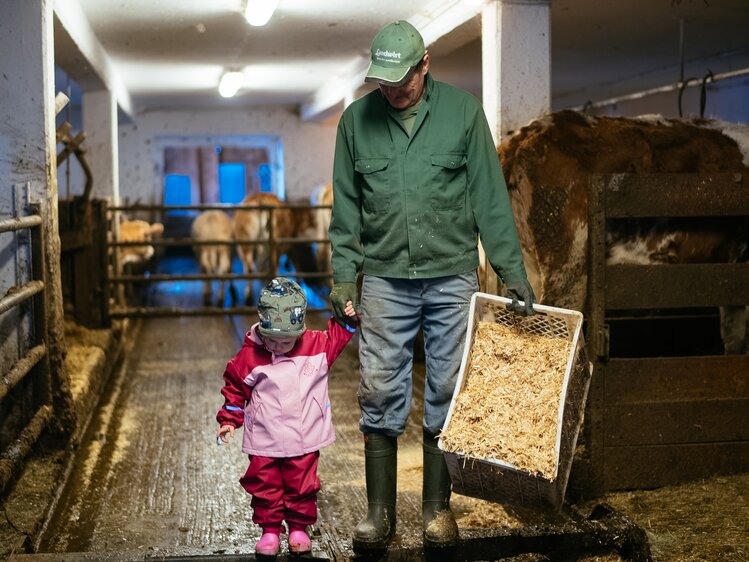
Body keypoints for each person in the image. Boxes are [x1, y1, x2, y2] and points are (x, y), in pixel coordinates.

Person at [328, 20, 535, 550]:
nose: (393, 91)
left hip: (451, 275)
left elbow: (491, 199)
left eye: (403, 79)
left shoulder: (463, 113)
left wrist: (512, 272)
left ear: (425, 66)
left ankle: (437, 513)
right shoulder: (355, 122)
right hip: (384, 278)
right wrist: (343, 277)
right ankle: (380, 516)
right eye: (383, 83)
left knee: (446, 387)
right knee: (378, 387)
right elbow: (347, 210)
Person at [216, 277, 357, 556]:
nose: (279, 346)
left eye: (286, 341)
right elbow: (235, 387)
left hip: (304, 436)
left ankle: (297, 528)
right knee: (265, 484)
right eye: (273, 341)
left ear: (300, 330)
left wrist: (349, 316)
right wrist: (229, 420)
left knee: (302, 485)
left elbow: (341, 335)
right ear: (262, 328)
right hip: (265, 436)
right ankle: (269, 531)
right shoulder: (249, 356)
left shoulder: (317, 346)